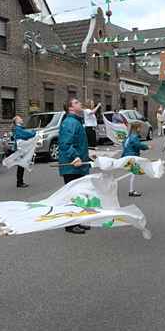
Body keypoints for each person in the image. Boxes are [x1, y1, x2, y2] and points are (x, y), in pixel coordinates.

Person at [58, 98, 92, 235]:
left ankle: (77, 221)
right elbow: (66, 144)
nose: (81, 104)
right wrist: (75, 157)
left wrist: (87, 156)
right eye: (77, 103)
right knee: (72, 195)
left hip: (79, 165)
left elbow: (78, 143)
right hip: (72, 166)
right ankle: (70, 225)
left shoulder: (76, 121)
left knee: (78, 194)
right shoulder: (70, 122)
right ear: (71, 108)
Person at [122, 122, 150, 197]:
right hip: (132, 157)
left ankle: (131, 190)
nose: (140, 129)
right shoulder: (134, 137)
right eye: (140, 127)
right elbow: (138, 145)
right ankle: (131, 191)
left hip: (127, 156)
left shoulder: (129, 136)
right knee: (133, 174)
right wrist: (147, 147)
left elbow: (125, 146)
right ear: (137, 128)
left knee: (133, 173)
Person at [11, 115, 36, 188]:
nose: (21, 119)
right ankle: (19, 182)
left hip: (21, 148)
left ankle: (20, 182)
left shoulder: (18, 128)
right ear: (16, 121)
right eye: (19, 118)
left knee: (21, 165)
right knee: (21, 165)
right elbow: (26, 135)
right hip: (21, 149)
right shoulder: (18, 129)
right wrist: (33, 132)